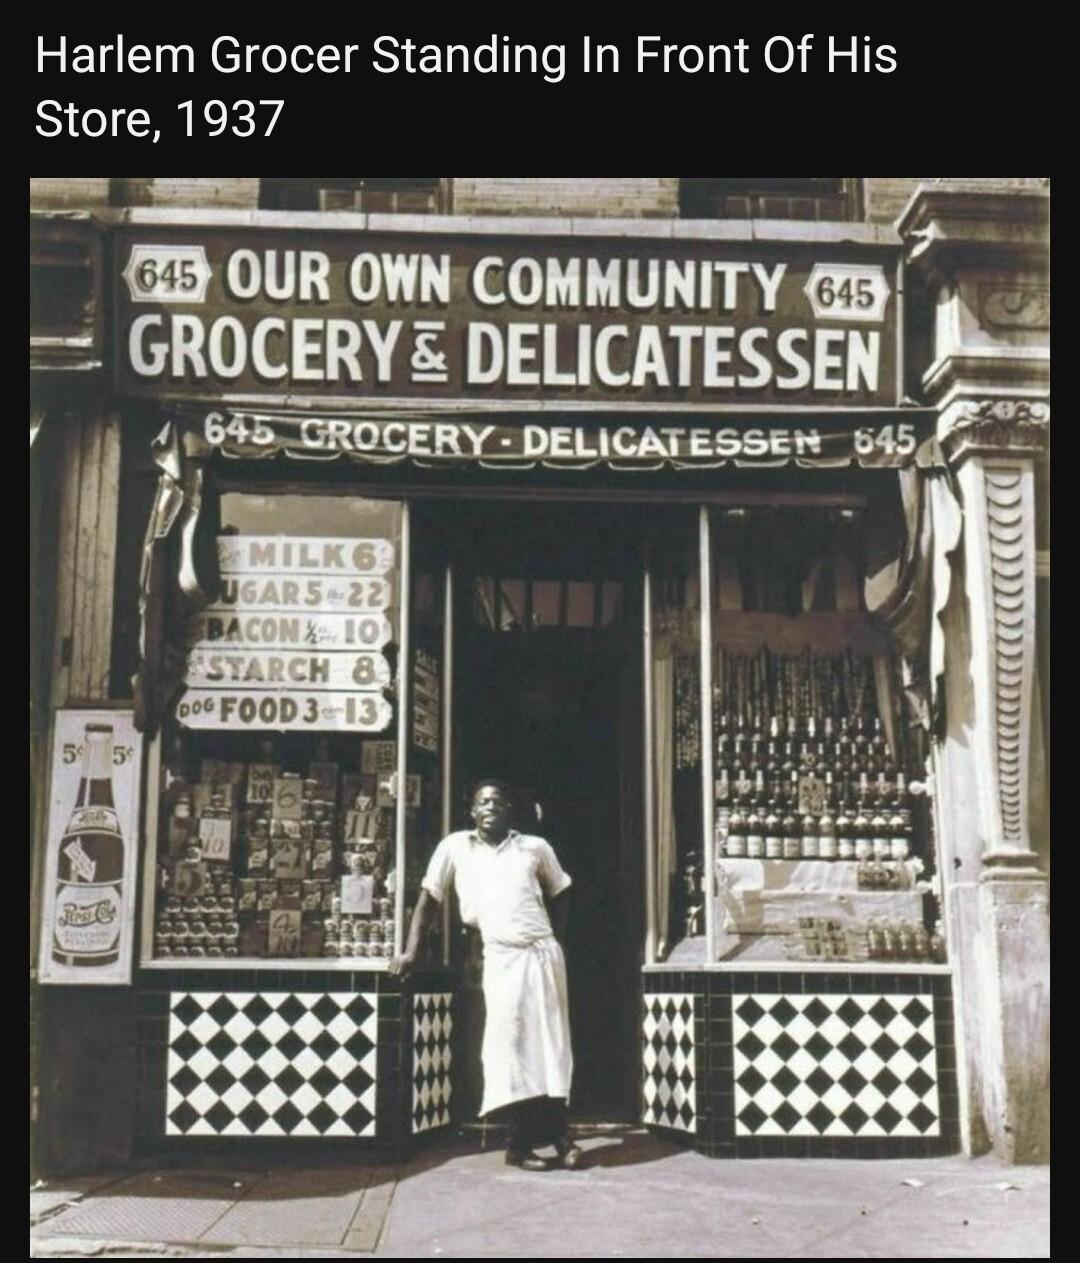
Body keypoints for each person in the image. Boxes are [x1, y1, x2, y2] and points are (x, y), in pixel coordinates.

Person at [389, 779, 582, 1171]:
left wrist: (556, 942)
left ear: (509, 809)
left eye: (497, 800)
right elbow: (429, 899)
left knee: (551, 1045)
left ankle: (561, 1138)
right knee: (510, 1048)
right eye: (482, 801)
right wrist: (410, 951)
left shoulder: (534, 847)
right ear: (472, 812)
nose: (489, 805)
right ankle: (519, 1143)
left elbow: (561, 893)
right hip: (500, 958)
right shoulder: (455, 847)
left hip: (542, 956)